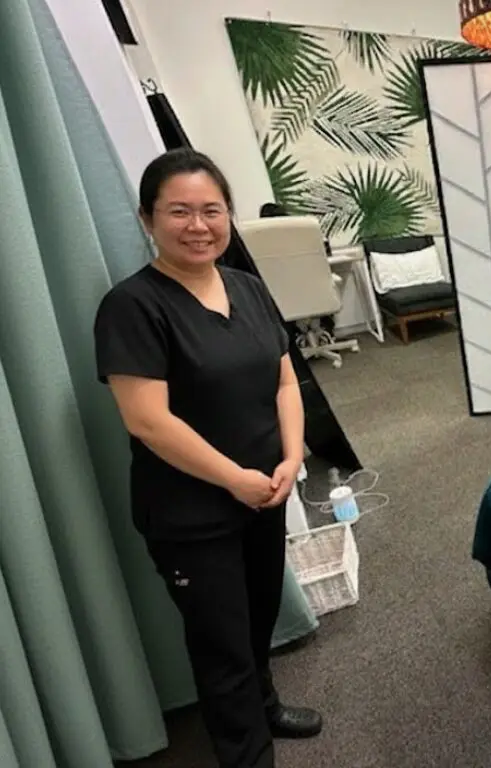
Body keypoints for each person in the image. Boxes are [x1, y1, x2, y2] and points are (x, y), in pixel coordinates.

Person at [93, 148, 323, 768]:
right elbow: (146, 420)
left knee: (256, 621)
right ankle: (246, 754)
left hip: (265, 491)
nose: (199, 226)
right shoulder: (133, 306)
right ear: (147, 219)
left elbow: (283, 381)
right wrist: (235, 481)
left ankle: (266, 707)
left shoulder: (247, 287)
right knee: (220, 644)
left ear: (228, 215)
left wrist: (292, 456)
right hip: (192, 511)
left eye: (212, 211)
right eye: (180, 212)